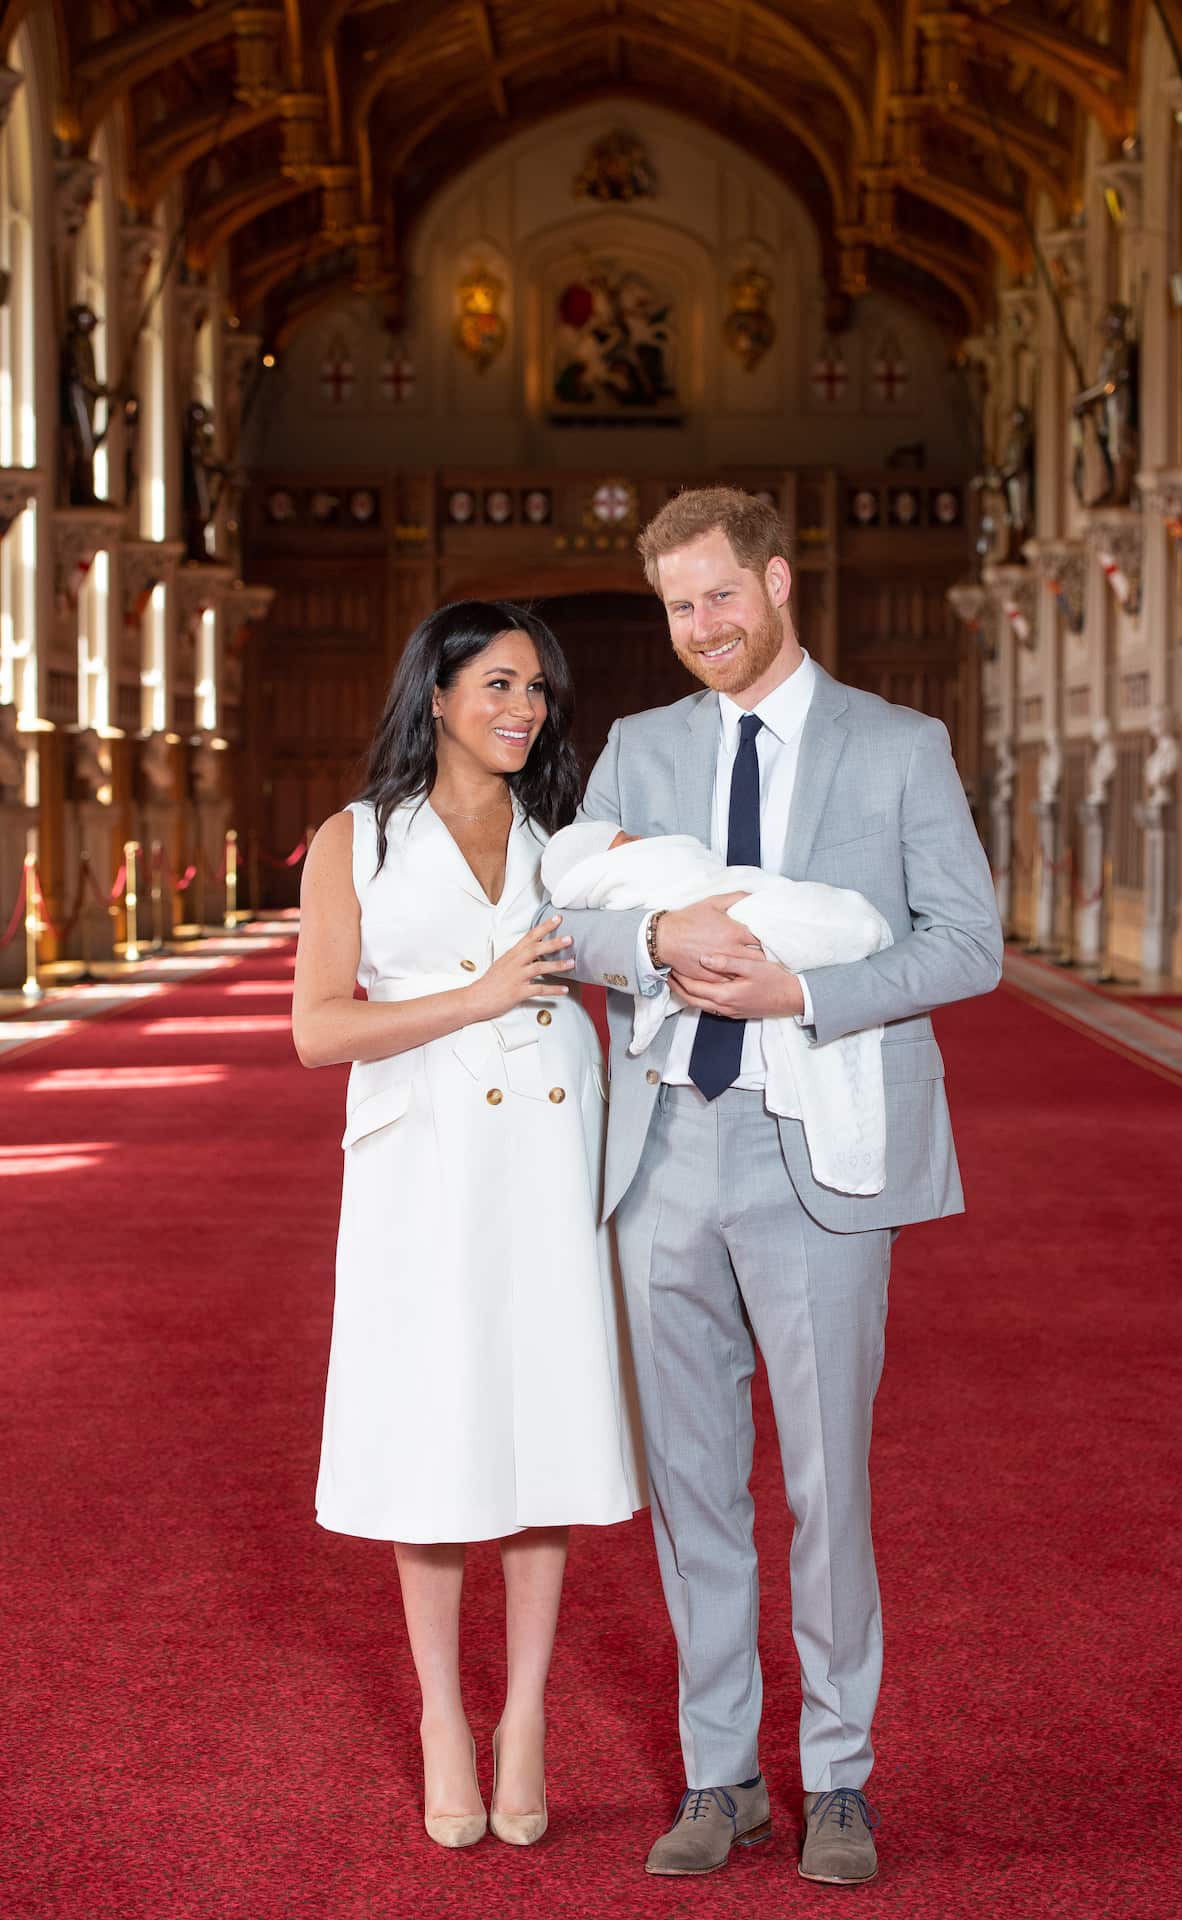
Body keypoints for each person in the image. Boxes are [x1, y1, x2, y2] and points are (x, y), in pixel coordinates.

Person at [555, 488, 1003, 1887]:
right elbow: (569, 917)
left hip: (821, 1147)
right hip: (667, 1152)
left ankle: (842, 1779)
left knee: (826, 1486)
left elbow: (968, 945)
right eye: (679, 609)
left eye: (719, 597)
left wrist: (803, 986)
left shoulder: (899, 745)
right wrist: (658, 935)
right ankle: (721, 1774)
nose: (702, 629)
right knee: (692, 1484)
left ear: (778, 581)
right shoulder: (638, 748)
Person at [291, 600, 644, 1853]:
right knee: (438, 1436)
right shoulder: (357, 841)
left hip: (550, 1151)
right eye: (497, 683)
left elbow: (641, 942)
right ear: (434, 695)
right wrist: (477, 993)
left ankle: (528, 1716)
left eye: (537, 690)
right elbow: (319, 1029)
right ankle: (447, 1713)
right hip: (423, 1164)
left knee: (541, 1424)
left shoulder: (569, 841)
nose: (521, 709)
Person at [541, 819, 893, 1196]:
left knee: (805, 916)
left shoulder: (906, 757)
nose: (641, 840)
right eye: (627, 841)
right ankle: (852, 927)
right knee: (797, 923)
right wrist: (657, 938)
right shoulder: (624, 783)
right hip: (663, 1120)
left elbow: (961, 938)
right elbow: (552, 927)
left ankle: (853, 926)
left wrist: (801, 994)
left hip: (789, 1111)